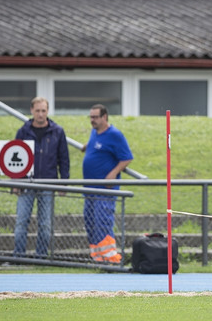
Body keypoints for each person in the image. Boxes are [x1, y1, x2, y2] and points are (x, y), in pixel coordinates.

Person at [13, 97, 70, 257]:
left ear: (48, 111)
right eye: (37, 111)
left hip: (48, 183)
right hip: (26, 183)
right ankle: (18, 256)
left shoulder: (58, 131)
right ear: (31, 111)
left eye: (43, 111)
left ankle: (41, 256)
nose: (40, 114)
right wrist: (15, 182)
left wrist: (63, 183)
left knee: (45, 224)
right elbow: (13, 158)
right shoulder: (23, 131)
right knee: (21, 221)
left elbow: (64, 159)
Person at [82, 104, 133, 263]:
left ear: (105, 117)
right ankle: (97, 257)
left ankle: (111, 258)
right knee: (90, 221)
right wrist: (87, 146)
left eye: (95, 117)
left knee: (103, 221)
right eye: (91, 117)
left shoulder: (115, 135)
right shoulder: (94, 132)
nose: (92, 120)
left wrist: (113, 173)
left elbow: (127, 158)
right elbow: (99, 146)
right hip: (89, 189)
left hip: (104, 189)